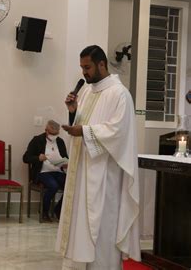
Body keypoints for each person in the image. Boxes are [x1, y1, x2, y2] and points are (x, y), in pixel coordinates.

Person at [57, 45, 140, 269]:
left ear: (102, 64)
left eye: (87, 67)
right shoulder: (87, 92)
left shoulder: (120, 94)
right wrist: (74, 111)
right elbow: (83, 123)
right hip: (82, 173)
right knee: (80, 227)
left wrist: (83, 131)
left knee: (102, 230)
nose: (84, 72)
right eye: (82, 67)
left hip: (104, 178)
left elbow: (117, 131)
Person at [23, 120, 68, 222]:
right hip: (43, 172)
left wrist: (66, 164)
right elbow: (26, 158)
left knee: (70, 185)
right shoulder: (37, 140)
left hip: (58, 171)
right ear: (46, 131)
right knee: (53, 186)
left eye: (56, 134)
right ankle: (44, 212)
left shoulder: (60, 142)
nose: (54, 136)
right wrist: (38, 158)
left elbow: (65, 157)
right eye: (52, 134)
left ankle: (58, 209)